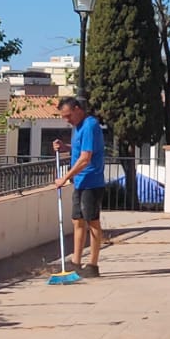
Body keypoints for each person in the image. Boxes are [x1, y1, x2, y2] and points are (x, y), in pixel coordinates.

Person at [52, 97, 106, 277]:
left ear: (77, 109)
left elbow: (85, 158)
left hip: (91, 181)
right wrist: (64, 146)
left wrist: (65, 178)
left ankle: (92, 265)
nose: (67, 120)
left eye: (68, 115)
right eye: (64, 117)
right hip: (80, 181)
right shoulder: (78, 128)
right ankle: (76, 262)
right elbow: (79, 150)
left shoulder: (90, 125)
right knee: (78, 220)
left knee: (92, 222)